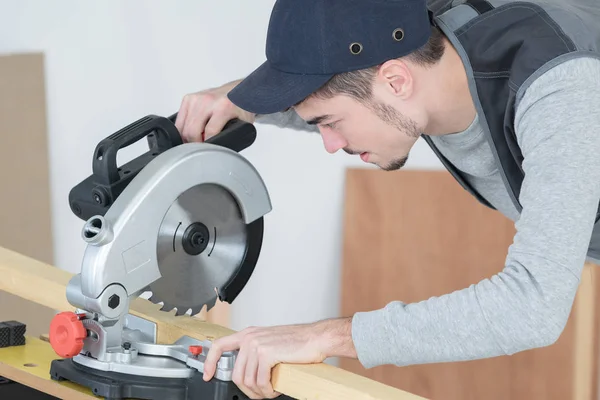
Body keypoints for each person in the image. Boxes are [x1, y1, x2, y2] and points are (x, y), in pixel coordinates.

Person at [175, 0, 600, 398]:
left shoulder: (559, 92)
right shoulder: (414, 42)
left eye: (330, 123)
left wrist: (322, 336)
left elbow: (531, 305)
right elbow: (348, 90)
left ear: (397, 80)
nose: (329, 143)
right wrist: (240, 99)